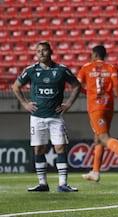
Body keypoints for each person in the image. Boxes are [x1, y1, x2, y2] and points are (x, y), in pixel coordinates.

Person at [12, 41, 81, 192]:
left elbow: (77, 85)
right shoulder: (30, 70)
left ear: (51, 52)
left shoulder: (62, 70)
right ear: (36, 54)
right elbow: (16, 86)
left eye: (44, 50)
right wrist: (25, 104)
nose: (41, 53)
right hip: (37, 117)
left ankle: (63, 184)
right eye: (38, 51)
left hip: (55, 117)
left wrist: (68, 104)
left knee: (60, 147)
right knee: (38, 149)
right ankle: (42, 183)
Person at [77, 45, 118, 182]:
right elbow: (117, 84)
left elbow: (77, 85)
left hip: (95, 107)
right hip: (108, 107)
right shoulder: (111, 67)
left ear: (94, 55)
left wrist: (88, 93)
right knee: (98, 138)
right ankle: (95, 172)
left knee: (104, 137)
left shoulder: (86, 68)